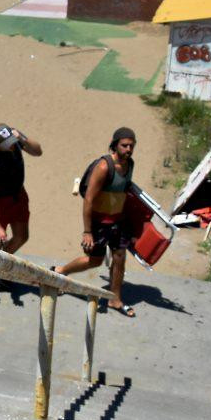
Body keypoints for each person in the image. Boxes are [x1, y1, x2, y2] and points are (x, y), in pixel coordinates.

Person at [53, 127, 138, 318]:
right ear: (115, 145)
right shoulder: (103, 167)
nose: (128, 149)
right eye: (124, 145)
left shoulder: (130, 165)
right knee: (94, 261)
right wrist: (87, 231)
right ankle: (60, 271)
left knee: (119, 258)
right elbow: (89, 199)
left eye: (132, 146)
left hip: (118, 222)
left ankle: (115, 299)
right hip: (99, 223)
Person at [0, 123, 43, 303]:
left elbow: (38, 151)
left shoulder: (15, 138)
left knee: (22, 236)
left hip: (17, 195)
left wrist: (22, 138)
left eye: (12, 139)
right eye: (8, 142)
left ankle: (0, 267)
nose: (12, 144)